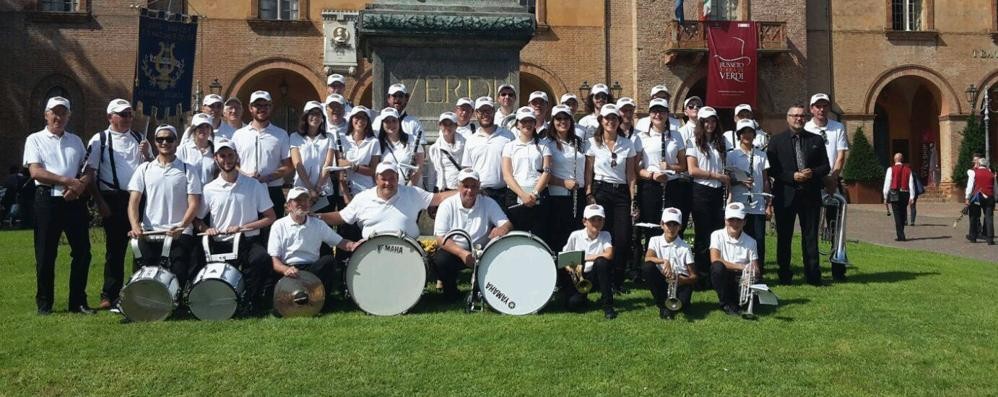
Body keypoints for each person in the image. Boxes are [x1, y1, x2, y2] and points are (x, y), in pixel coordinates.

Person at [23, 96, 94, 315]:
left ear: (69, 116)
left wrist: (79, 186)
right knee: (45, 254)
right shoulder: (34, 139)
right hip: (47, 200)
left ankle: (77, 302)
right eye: (54, 112)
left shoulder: (76, 141)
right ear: (46, 114)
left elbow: (87, 169)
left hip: (73, 201)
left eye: (63, 113)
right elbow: (36, 172)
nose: (58, 117)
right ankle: (44, 303)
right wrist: (67, 181)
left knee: (83, 252)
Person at [195, 138, 277, 313]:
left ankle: (252, 300)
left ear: (237, 157)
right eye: (222, 156)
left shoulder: (254, 185)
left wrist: (243, 227)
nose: (227, 160)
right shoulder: (209, 189)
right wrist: (206, 229)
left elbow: (270, 217)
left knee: (262, 259)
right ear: (216, 159)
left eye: (230, 155)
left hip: (248, 240)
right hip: (220, 241)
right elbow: (197, 219)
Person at [86, 98, 152, 310]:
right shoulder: (100, 140)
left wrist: (146, 154)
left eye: (129, 114)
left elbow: (150, 169)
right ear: (110, 117)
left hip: (136, 198)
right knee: (115, 248)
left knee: (141, 246)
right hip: (112, 198)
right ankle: (110, 293)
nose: (127, 118)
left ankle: (139, 288)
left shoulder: (138, 138)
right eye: (122, 114)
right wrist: (100, 202)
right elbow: (90, 173)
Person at [127, 124, 203, 293]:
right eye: (160, 139)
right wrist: (134, 226)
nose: (164, 142)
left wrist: (182, 226)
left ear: (176, 142)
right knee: (144, 273)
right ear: (155, 142)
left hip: (179, 232)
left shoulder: (187, 169)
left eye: (169, 139)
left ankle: (176, 302)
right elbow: (134, 201)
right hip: (149, 231)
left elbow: (194, 203)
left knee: (179, 272)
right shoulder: (144, 169)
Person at [767, 104, 831, 285]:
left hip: (810, 195)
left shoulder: (816, 140)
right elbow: (772, 169)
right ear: (787, 118)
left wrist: (813, 173)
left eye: (802, 116)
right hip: (785, 195)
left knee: (810, 236)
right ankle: (784, 274)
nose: (798, 119)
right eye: (794, 115)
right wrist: (792, 176)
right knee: (784, 236)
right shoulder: (776, 141)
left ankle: (812, 274)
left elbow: (825, 166)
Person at [268, 187, 360, 306]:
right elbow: (274, 260)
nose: (302, 204)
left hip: (312, 271)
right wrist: (285, 269)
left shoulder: (318, 224)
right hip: (288, 270)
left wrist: (356, 245)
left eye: (305, 200)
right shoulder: (278, 226)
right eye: (298, 200)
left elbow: (342, 243)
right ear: (289, 205)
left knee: (328, 261)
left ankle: (322, 300)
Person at [432, 169, 512, 301]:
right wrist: (462, 254)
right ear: (458, 186)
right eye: (466, 186)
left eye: (474, 186)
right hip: (456, 251)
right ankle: (451, 293)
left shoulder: (488, 202)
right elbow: (440, 238)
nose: (470, 190)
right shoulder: (447, 205)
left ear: (479, 186)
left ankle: (488, 291)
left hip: (482, 251)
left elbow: (506, 223)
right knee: (441, 260)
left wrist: (502, 229)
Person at [318, 162, 454, 239]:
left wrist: (468, 191)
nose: (388, 183)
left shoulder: (412, 193)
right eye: (384, 179)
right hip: (371, 252)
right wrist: (317, 216)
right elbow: (341, 216)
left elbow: (439, 198)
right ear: (376, 179)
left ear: (397, 177)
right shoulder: (362, 198)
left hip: (408, 253)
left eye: (392, 178)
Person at [584, 103, 637, 293]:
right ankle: (601, 279)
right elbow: (588, 171)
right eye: (607, 118)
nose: (610, 122)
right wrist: (589, 193)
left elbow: (631, 175)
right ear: (601, 120)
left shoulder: (627, 144)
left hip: (621, 192)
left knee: (622, 238)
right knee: (602, 235)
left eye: (614, 118)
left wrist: (633, 199)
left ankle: (617, 280)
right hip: (601, 190)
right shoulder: (592, 143)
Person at [232, 90, 293, 218]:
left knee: (273, 232)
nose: (262, 109)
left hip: (272, 190)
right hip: (245, 189)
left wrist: (267, 178)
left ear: (271, 107)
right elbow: (233, 164)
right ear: (250, 108)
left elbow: (288, 166)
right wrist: (246, 175)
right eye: (257, 105)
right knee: (248, 231)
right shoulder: (239, 135)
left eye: (265, 105)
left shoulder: (280, 134)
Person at [685, 106, 728, 285]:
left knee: (717, 233)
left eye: (713, 121)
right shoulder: (693, 141)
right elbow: (692, 169)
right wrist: (715, 175)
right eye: (706, 121)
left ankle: (716, 273)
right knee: (702, 233)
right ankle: (702, 273)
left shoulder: (720, 142)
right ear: (701, 123)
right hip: (701, 191)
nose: (710, 124)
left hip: (717, 191)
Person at [636, 98, 689, 237]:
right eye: (654, 111)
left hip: (672, 185)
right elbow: (636, 168)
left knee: (673, 225)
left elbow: (684, 165)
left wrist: (670, 166)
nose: (658, 115)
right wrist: (653, 175)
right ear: (650, 114)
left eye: (661, 111)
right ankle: (651, 257)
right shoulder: (641, 137)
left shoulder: (677, 136)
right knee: (651, 226)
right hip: (650, 186)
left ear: (667, 114)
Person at [726, 119, 772, 270]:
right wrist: (740, 181)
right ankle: (739, 269)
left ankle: (758, 271)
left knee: (758, 240)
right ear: (739, 135)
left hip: (757, 203)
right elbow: (727, 179)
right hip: (739, 203)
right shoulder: (732, 155)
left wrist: (768, 203)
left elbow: (765, 180)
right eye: (744, 132)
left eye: (750, 132)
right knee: (739, 238)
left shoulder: (761, 154)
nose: (747, 135)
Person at [502, 106, 552, 236]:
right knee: (517, 236)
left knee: (539, 235)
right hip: (515, 195)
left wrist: (534, 194)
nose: (527, 124)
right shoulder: (509, 146)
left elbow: (547, 171)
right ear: (517, 124)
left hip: (538, 194)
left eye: (530, 121)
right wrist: (523, 195)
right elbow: (507, 175)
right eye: (523, 121)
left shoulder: (544, 145)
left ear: (535, 123)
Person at [561, 204, 617, 319]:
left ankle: (608, 305)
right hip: (578, 275)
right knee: (572, 305)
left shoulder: (605, 235)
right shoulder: (575, 235)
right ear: (584, 221)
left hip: (595, 275)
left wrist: (584, 258)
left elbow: (609, 254)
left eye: (600, 219)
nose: (596, 222)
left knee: (602, 262)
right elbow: (565, 257)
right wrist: (571, 268)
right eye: (592, 220)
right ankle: (582, 298)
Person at [544, 104, 588, 249]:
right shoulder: (547, 144)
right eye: (558, 118)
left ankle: (575, 271)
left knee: (577, 237)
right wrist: (564, 183)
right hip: (558, 196)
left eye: (566, 118)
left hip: (578, 196)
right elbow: (543, 173)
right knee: (559, 237)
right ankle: (559, 271)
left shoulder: (579, 142)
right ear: (553, 121)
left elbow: (588, 169)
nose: (562, 122)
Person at [642, 207, 696, 320]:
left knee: (682, 305)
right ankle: (663, 305)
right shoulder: (654, 240)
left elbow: (694, 276)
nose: (671, 228)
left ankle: (672, 302)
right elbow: (648, 258)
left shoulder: (685, 247)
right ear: (662, 224)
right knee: (648, 267)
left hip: (680, 281)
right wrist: (663, 261)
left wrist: (681, 280)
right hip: (663, 279)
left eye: (675, 224)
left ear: (680, 226)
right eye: (668, 224)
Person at [463, 96, 516, 208]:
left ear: (493, 111)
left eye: (488, 110)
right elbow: (467, 169)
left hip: (503, 194)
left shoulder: (508, 136)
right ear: (476, 113)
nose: (485, 114)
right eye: (481, 111)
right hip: (479, 195)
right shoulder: (471, 140)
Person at [709, 202, 760, 316]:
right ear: (725, 220)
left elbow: (756, 269)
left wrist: (753, 272)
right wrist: (743, 267)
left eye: (738, 220)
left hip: (741, 278)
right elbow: (715, 259)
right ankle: (725, 303)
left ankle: (738, 301)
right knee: (717, 267)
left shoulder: (751, 242)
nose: (734, 223)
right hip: (725, 276)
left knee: (754, 301)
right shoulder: (716, 235)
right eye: (731, 219)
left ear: (744, 222)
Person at [290, 101, 335, 213]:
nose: (315, 117)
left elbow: (328, 163)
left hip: (324, 191)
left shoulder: (329, 137)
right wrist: (310, 189)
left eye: (318, 114)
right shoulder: (295, 137)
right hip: (301, 190)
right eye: (312, 114)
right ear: (305, 117)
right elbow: (297, 164)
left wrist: (318, 188)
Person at [805, 93, 849, 196]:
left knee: (832, 210)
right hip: (812, 179)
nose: (822, 109)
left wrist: (832, 179)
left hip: (832, 178)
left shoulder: (838, 127)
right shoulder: (805, 128)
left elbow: (841, 156)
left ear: (829, 108)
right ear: (811, 109)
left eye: (825, 106)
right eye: (818, 106)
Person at [377, 107, 424, 186]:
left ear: (399, 122)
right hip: (390, 189)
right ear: (382, 124)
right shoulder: (378, 144)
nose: (391, 124)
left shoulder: (413, 139)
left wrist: (408, 187)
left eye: (394, 121)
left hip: (411, 190)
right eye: (387, 121)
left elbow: (419, 167)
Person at [427, 112, 466, 192]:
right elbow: (432, 173)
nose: (447, 127)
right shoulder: (434, 148)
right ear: (440, 126)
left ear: (456, 126)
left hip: (460, 188)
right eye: (444, 124)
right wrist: (430, 192)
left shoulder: (465, 144)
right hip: (442, 189)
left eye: (450, 124)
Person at [177, 113, 217, 186]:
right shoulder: (183, 149)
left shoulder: (216, 150)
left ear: (211, 130)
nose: (203, 130)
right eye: (200, 126)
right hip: (187, 194)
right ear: (194, 129)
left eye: (207, 127)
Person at [882, 153, 914, 241]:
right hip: (905, 193)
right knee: (903, 214)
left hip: (894, 193)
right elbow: (911, 184)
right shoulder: (908, 170)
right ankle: (901, 233)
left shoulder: (890, 169)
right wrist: (912, 196)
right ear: (902, 159)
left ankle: (901, 236)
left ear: (894, 159)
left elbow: (887, 183)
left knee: (897, 215)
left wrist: (885, 196)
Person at [965, 157, 995, 245]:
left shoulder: (974, 172)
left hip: (977, 197)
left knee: (974, 217)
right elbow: (995, 188)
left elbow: (970, 185)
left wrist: (967, 197)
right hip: (989, 197)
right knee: (989, 218)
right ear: (986, 165)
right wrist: (995, 198)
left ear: (979, 164)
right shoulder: (991, 174)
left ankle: (973, 237)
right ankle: (990, 239)